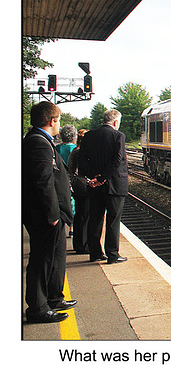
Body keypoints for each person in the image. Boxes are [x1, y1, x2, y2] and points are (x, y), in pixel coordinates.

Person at [22, 101, 76, 323]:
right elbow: (43, 182)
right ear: (52, 120)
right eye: (59, 119)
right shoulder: (38, 143)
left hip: (52, 213)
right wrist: (52, 214)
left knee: (55, 256)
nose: (59, 124)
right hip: (45, 215)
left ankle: (54, 297)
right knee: (42, 259)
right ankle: (37, 307)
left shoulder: (41, 141)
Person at [78, 109, 128, 264]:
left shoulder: (89, 136)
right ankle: (112, 254)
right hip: (114, 185)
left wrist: (95, 177)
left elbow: (82, 159)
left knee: (95, 218)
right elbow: (117, 160)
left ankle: (95, 253)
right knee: (113, 219)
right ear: (115, 122)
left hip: (95, 186)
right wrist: (103, 178)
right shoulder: (118, 136)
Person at [68, 129, 90, 254]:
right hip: (85, 186)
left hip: (76, 185)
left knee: (79, 214)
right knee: (86, 215)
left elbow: (70, 170)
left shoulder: (74, 151)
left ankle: (77, 244)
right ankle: (84, 245)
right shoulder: (85, 153)